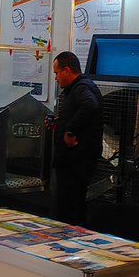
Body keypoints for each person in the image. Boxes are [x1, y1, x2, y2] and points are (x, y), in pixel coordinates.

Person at [50, 51, 103, 227]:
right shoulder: (78, 87)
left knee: (69, 208)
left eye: (57, 73)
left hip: (75, 162)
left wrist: (70, 131)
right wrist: (62, 122)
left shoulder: (81, 87)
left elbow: (90, 105)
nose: (56, 78)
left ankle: (68, 239)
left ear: (66, 70)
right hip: (76, 160)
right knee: (75, 206)